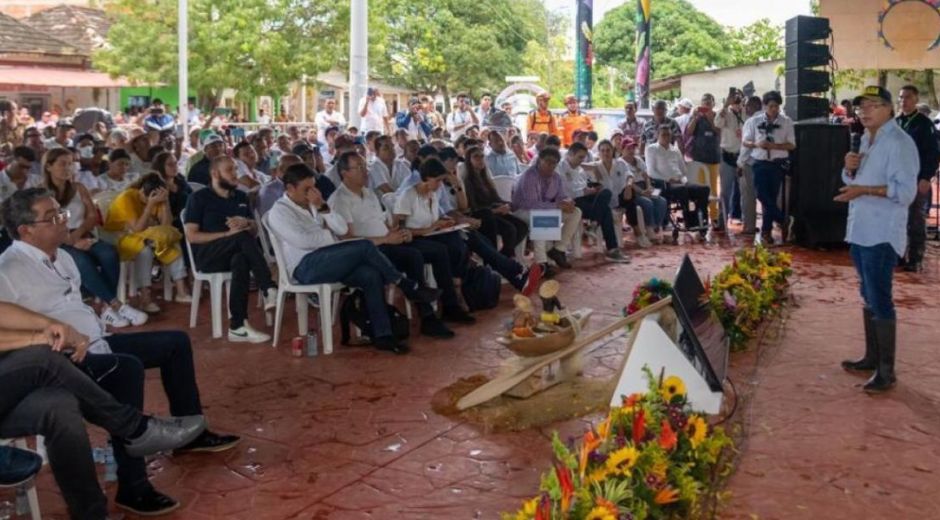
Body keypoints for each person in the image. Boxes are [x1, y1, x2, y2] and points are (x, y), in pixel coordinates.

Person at [0, 189, 239, 516]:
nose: (63, 221)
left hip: (96, 341)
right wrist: (43, 334)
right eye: (53, 217)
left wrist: (89, 324)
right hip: (64, 359)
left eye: (61, 213)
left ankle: (188, 439)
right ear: (26, 229)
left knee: (175, 343)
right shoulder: (9, 269)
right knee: (124, 370)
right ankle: (134, 484)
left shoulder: (63, 255)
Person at [269, 161, 441, 353]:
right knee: (364, 246)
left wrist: (323, 207)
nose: (312, 192)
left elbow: (341, 229)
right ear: (290, 188)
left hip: (330, 258)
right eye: (306, 188)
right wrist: (331, 237)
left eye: (313, 187)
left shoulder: (314, 204)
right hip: (305, 267)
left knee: (370, 274)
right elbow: (303, 241)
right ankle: (404, 283)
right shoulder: (279, 212)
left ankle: (382, 335)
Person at [836, 86, 919, 393]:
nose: (864, 111)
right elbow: (853, 180)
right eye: (861, 107)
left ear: (889, 109)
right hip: (860, 230)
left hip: (882, 233)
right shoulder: (865, 139)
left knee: (880, 297)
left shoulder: (899, 143)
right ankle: (872, 357)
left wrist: (864, 191)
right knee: (867, 292)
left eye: (873, 105)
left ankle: (887, 371)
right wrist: (849, 168)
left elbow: (905, 193)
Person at [327, 153, 455, 338]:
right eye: (359, 168)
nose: (365, 171)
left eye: (365, 166)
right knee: (412, 256)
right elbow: (348, 240)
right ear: (344, 173)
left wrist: (394, 231)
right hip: (367, 252)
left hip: (385, 242)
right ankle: (425, 311)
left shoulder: (369, 193)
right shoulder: (340, 199)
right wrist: (386, 240)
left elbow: (381, 223)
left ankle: (438, 307)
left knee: (427, 251)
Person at [42, 148, 148, 327]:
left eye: (70, 164)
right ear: (49, 166)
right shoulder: (41, 193)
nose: (68, 168)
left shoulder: (78, 188)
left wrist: (78, 234)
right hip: (57, 241)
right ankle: (117, 305)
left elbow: (92, 216)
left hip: (82, 233)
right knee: (82, 261)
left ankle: (107, 309)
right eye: (62, 164)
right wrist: (70, 240)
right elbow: (46, 222)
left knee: (109, 253)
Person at [184, 156, 278, 343]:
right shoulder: (199, 198)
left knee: (241, 259)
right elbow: (192, 235)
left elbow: (253, 232)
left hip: (234, 252)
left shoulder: (241, 197)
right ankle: (268, 287)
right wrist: (227, 235)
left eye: (236, 169)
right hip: (208, 255)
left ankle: (238, 326)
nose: (235, 174)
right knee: (239, 237)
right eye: (230, 170)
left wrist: (248, 223)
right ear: (214, 173)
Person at [104, 173, 192, 310]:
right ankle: (145, 297)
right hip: (117, 236)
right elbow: (137, 227)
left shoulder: (159, 197)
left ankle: (181, 291)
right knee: (144, 250)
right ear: (141, 192)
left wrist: (166, 202)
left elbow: (166, 226)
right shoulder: (126, 198)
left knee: (171, 241)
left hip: (144, 233)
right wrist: (150, 205)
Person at [511, 147, 583, 269]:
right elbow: (532, 204)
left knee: (576, 212)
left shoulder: (556, 177)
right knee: (544, 216)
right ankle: (541, 262)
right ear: (540, 161)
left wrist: (568, 202)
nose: (551, 165)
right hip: (522, 211)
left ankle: (558, 249)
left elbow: (561, 195)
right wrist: (557, 206)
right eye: (547, 161)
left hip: (545, 209)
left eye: (554, 162)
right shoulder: (530, 176)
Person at [740, 91, 796, 245]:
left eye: (776, 106)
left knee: (770, 199)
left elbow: (791, 144)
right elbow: (745, 142)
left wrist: (774, 145)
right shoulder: (753, 121)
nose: (774, 109)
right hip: (759, 162)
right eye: (771, 106)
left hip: (777, 163)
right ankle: (783, 220)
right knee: (761, 195)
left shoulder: (786, 122)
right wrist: (757, 144)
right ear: (765, 106)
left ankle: (766, 232)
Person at [558, 142, 629, 262]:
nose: (582, 161)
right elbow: (566, 191)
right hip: (570, 202)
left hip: (584, 197)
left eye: (583, 158)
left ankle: (594, 225)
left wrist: (591, 190)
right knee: (605, 210)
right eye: (580, 157)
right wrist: (584, 192)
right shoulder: (560, 168)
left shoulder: (579, 169)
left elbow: (583, 185)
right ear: (570, 154)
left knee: (606, 192)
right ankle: (611, 248)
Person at [895, 85, 939, 272]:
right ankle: (898, 255)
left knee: (915, 219)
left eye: (907, 97)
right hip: (896, 178)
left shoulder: (924, 124)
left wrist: (925, 177)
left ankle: (915, 258)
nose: (903, 101)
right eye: (901, 97)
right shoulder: (895, 122)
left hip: (915, 177)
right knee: (897, 219)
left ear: (915, 99)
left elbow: (933, 153)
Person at [463, 145, 528, 257]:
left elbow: (495, 198)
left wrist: (506, 204)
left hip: (495, 211)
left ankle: (504, 255)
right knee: (510, 229)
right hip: (484, 215)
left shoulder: (485, 178)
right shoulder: (467, 181)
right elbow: (473, 207)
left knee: (522, 227)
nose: (480, 159)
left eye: (482, 156)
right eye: (476, 157)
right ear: (469, 160)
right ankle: (504, 258)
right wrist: (497, 210)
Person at [645, 125, 711, 231]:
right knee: (682, 190)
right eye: (663, 135)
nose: (666, 137)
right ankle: (689, 221)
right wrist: (668, 179)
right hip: (664, 184)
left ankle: (700, 219)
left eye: (668, 135)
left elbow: (683, 171)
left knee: (704, 189)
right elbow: (651, 172)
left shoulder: (675, 150)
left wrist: (683, 180)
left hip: (680, 182)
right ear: (658, 135)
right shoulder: (651, 149)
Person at [685, 93, 722, 227]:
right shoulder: (696, 116)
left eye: (709, 102)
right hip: (699, 158)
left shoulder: (718, 116)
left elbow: (719, 132)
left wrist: (710, 119)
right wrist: (695, 117)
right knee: (700, 189)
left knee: (713, 189)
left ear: (713, 103)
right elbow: (689, 132)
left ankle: (714, 216)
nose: (706, 104)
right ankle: (701, 215)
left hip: (713, 158)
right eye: (704, 102)